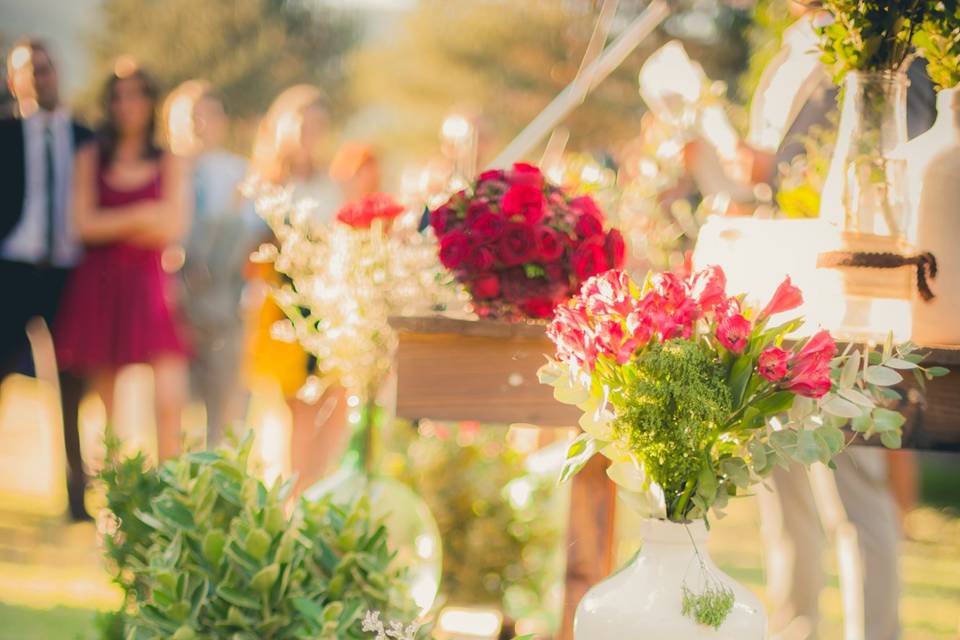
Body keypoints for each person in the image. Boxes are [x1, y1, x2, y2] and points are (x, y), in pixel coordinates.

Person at [698, 3, 936, 639]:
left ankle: (874, 632)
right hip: (778, 289)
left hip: (848, 287)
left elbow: (900, 155)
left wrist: (769, 168)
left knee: (854, 485)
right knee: (784, 482)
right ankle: (793, 629)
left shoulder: (891, 42)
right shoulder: (790, 49)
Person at [55, 60, 192, 462]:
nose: (127, 104)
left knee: (170, 397)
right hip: (99, 286)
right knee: (108, 410)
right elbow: (83, 225)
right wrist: (143, 214)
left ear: (151, 101)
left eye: (136, 94)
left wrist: (115, 221)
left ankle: (170, 490)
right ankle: (117, 499)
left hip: (149, 287)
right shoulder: (90, 156)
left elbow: (174, 225)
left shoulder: (168, 159)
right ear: (108, 103)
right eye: (118, 96)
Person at [0, 39, 94, 521]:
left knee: (72, 387)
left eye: (46, 67)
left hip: (67, 275)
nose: (40, 76)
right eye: (28, 69)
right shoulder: (5, 133)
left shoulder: (84, 136)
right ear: (14, 80)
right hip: (11, 272)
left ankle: (77, 499)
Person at [246, 84, 348, 495]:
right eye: (303, 125)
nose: (310, 134)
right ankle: (293, 497)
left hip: (325, 305)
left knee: (330, 404)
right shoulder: (264, 185)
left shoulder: (331, 185)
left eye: (317, 126)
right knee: (295, 410)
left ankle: (315, 490)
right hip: (281, 310)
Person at [164, 80, 260, 447]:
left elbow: (251, 235)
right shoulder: (164, 167)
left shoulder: (239, 172)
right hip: (171, 297)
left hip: (222, 301)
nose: (200, 124)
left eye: (208, 115)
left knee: (224, 397)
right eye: (191, 116)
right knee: (172, 401)